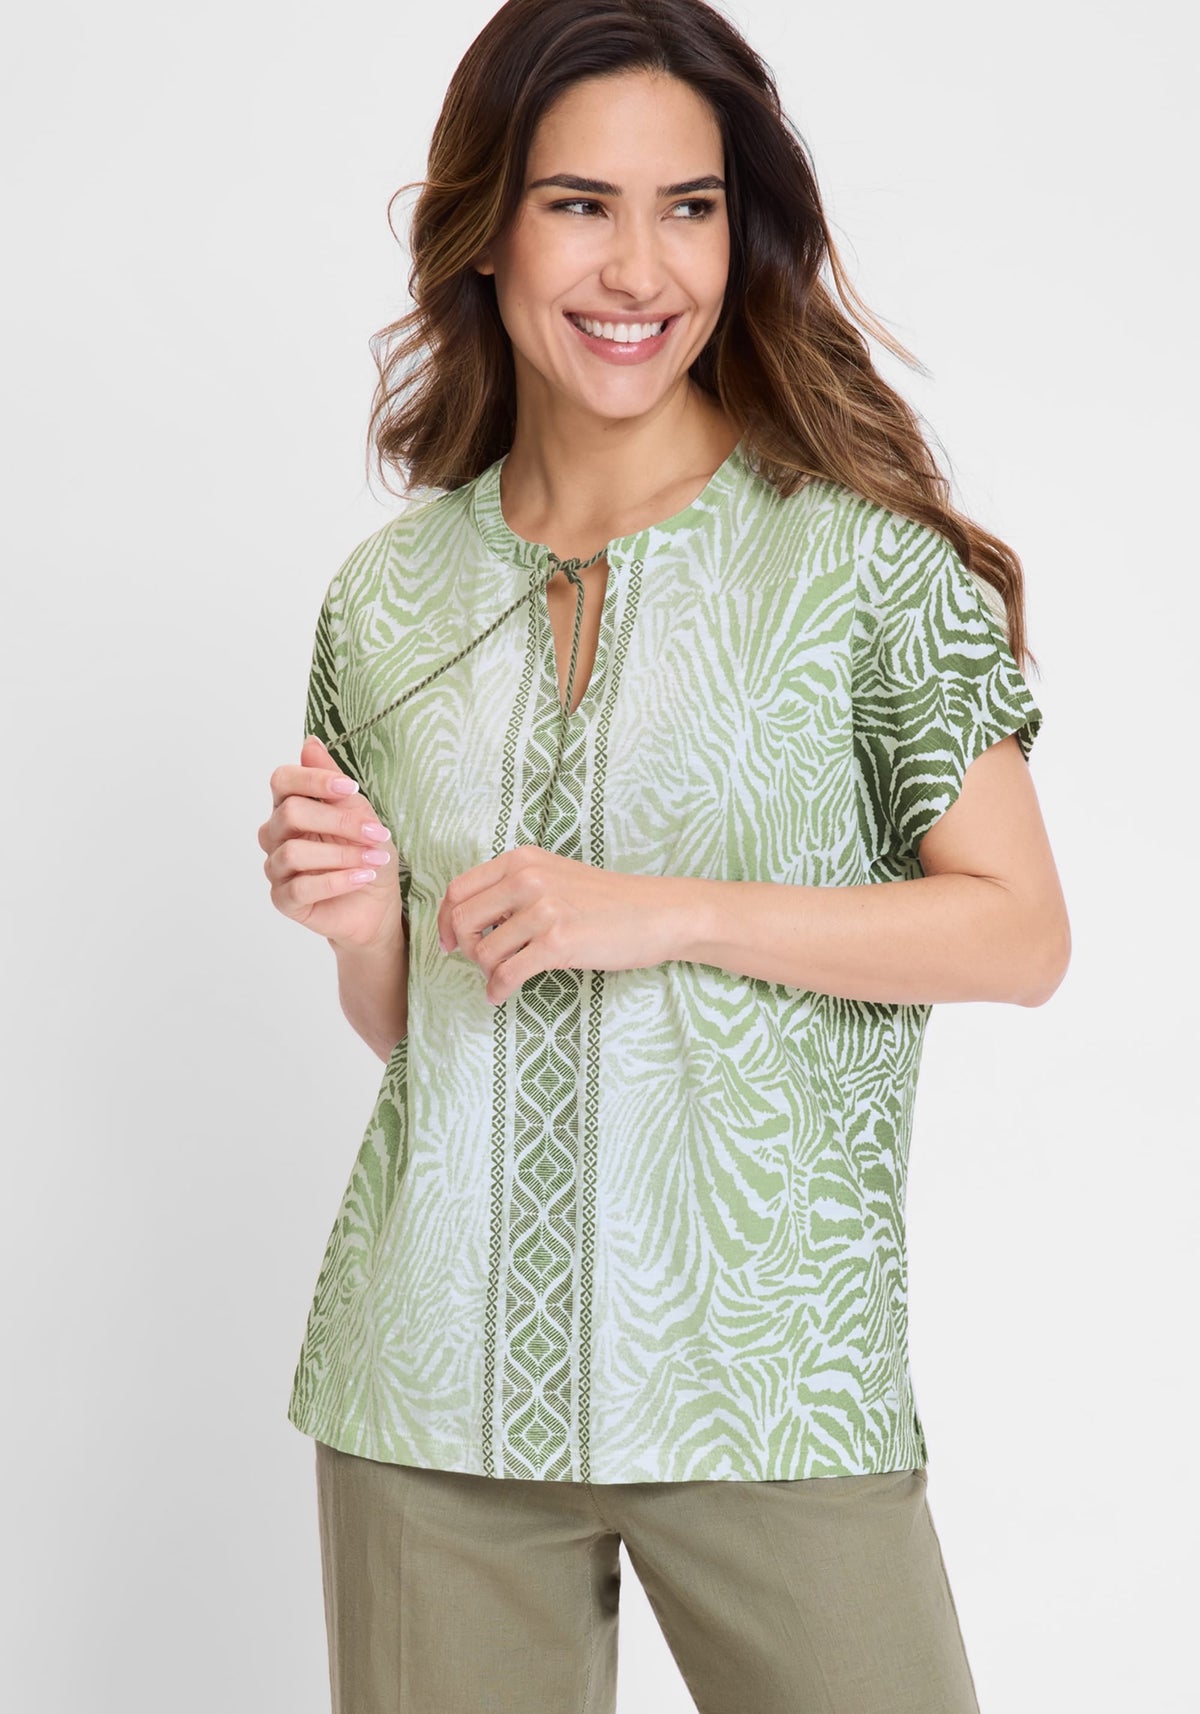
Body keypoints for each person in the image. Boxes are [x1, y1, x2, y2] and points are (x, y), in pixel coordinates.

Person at [258, 1, 1070, 1708]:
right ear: (487, 229)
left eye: (687, 207)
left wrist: (666, 910)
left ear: (736, 228)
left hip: (769, 1380)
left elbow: (1019, 932)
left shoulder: (865, 569)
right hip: (431, 1387)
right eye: (580, 205)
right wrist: (359, 924)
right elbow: (419, 1025)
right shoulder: (387, 598)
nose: (639, 268)